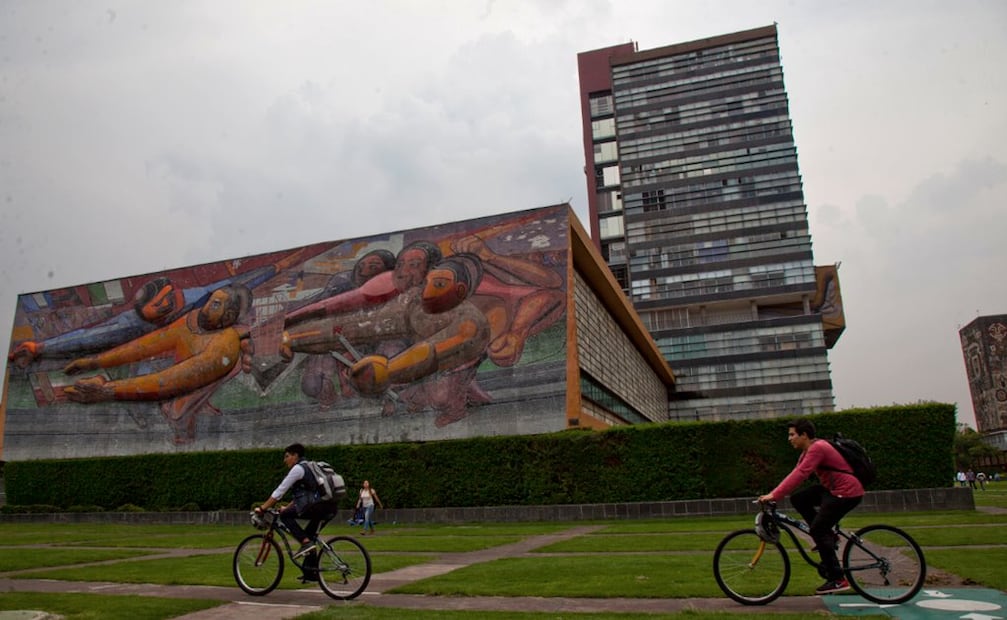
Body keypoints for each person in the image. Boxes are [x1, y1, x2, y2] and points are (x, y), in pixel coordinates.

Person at [758, 418, 864, 596]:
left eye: (792, 435)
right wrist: (774, 492)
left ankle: (838, 579)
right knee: (799, 499)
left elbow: (801, 474)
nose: (789, 439)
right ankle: (829, 537)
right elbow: (795, 473)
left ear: (804, 435)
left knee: (818, 530)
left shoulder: (817, 449)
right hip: (833, 490)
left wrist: (774, 495)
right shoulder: (808, 451)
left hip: (846, 492)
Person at [254, 443, 339, 583]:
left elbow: (279, 492)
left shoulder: (298, 469)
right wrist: (288, 506)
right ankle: (310, 573)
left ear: (295, 456)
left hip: (317, 507)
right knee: (310, 537)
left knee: (284, 516)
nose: (285, 460)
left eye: (287, 456)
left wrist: (262, 508)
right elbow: (307, 495)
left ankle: (305, 543)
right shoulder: (312, 467)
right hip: (330, 507)